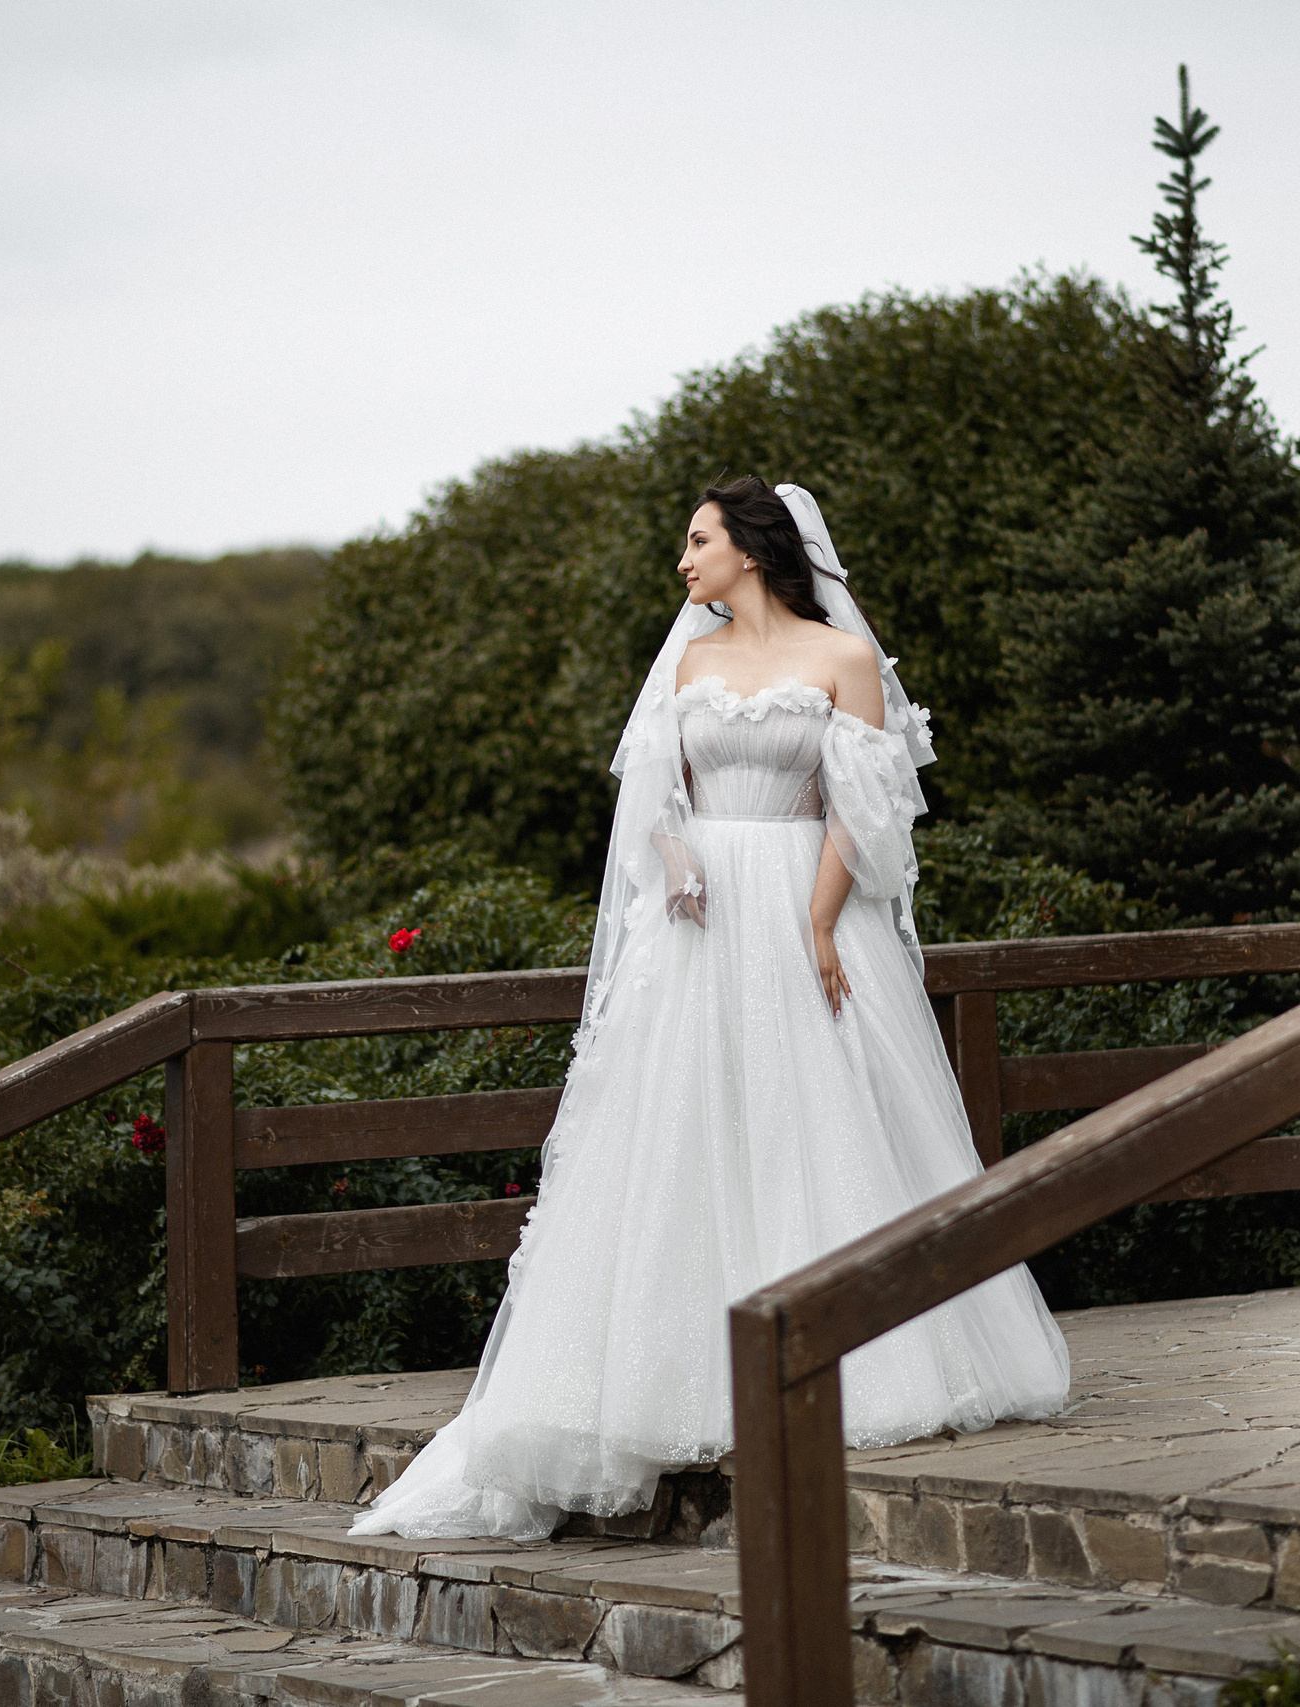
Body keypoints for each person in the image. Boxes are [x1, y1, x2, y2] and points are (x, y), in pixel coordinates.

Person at [353, 477, 1071, 1540]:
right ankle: (666, 1373)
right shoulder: (689, 663)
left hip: (805, 902)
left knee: (816, 1123)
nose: (684, 562)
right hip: (699, 926)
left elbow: (865, 809)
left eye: (698, 540)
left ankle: (867, 1355)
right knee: (685, 1131)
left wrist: (818, 920)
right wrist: (679, 858)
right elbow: (655, 795)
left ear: (753, 548)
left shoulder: (843, 659)